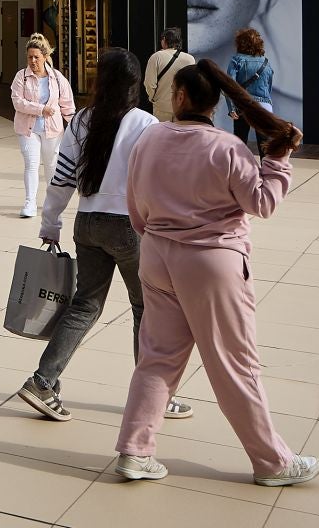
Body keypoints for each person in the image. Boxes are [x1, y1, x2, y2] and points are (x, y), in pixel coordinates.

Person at [113, 60, 319, 488]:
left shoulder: (149, 139)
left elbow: (135, 206)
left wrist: (160, 236)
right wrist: (278, 161)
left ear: (182, 96)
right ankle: (271, 462)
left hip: (156, 254)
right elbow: (262, 203)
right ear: (214, 104)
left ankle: (135, 451)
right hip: (212, 263)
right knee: (235, 364)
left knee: (157, 358)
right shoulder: (227, 148)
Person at [17, 48, 192, 424]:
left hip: (88, 223)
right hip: (129, 227)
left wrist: (50, 224)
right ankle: (154, 396)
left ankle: (43, 382)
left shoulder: (82, 120)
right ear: (134, 86)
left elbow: (61, 178)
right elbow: (162, 183)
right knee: (145, 309)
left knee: (84, 306)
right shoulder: (146, 125)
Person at [9, 34, 74, 218]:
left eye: (36, 57)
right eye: (30, 57)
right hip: (28, 129)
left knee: (52, 166)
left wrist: (75, 124)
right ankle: (30, 202)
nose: (32, 61)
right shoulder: (21, 76)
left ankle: (52, 202)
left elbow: (67, 104)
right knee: (31, 164)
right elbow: (17, 102)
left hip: (52, 130)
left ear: (45, 56)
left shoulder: (57, 78)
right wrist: (41, 109)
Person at [227, 28, 274, 149]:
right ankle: (266, 167)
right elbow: (268, 88)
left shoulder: (236, 60)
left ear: (240, 43)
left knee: (240, 142)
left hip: (243, 105)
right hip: (264, 107)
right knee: (265, 144)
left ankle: (240, 168)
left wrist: (231, 109)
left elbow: (229, 85)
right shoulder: (266, 62)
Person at [142, 28, 192, 121]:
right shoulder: (189, 59)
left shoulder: (156, 57)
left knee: (162, 134)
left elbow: (149, 83)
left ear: (164, 40)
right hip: (182, 107)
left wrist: (153, 98)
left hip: (162, 108)